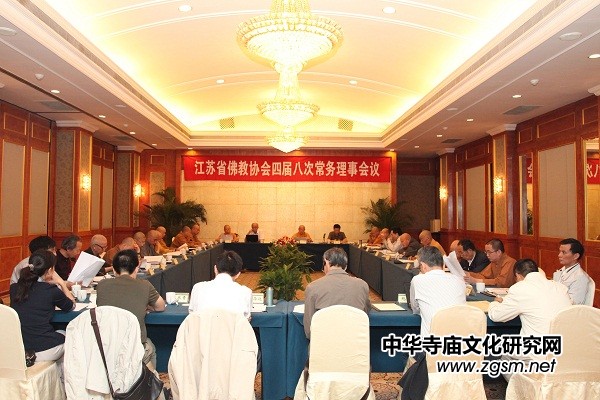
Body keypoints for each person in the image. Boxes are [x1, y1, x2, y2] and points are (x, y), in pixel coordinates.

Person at [488, 259, 572, 379]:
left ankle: (522, 389)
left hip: (537, 354)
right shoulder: (561, 288)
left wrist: (495, 303)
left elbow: (496, 316)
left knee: (503, 353)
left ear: (518, 275)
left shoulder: (520, 288)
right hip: (565, 350)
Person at [96, 249, 166, 368]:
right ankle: (149, 378)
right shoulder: (145, 285)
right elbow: (160, 306)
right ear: (136, 268)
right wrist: (146, 305)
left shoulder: (102, 285)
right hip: (134, 348)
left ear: (114, 270)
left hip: (106, 347)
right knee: (150, 347)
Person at [10, 250, 75, 363]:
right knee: (69, 334)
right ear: (50, 271)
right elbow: (71, 306)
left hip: (20, 348)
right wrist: (61, 283)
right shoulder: (51, 290)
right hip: (44, 349)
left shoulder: (14, 288)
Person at [303, 247, 370, 339]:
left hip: (323, 344)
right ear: (345, 266)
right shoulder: (362, 285)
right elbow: (365, 314)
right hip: (354, 342)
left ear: (326, 263)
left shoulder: (312, 287)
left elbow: (309, 330)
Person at [410, 246, 466, 336]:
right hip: (460, 339)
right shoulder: (459, 280)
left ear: (423, 266)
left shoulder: (417, 280)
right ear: (443, 264)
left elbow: (415, 309)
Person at [189, 251, 252, 319]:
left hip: (203, 326)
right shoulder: (246, 292)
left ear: (215, 269)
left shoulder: (198, 288)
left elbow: (192, 315)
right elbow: (245, 319)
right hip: (232, 326)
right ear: (238, 274)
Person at [554, 238, 591, 304]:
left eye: (564, 252)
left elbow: (573, 304)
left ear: (576, 256)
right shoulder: (562, 271)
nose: (559, 255)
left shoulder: (580, 277)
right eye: (560, 251)